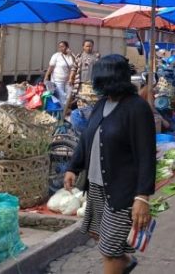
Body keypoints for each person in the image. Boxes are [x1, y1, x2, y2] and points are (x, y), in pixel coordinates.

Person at [64, 55, 155, 274]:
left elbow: (146, 155)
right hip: (95, 187)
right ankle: (125, 262)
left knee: (109, 250)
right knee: (98, 234)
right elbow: (87, 137)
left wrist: (142, 197)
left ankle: (119, 262)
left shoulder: (137, 109)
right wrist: (72, 167)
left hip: (121, 191)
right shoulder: (101, 104)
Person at [67, 39, 101, 115]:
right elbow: (74, 68)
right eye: (87, 46)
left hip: (93, 84)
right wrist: (70, 78)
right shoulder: (79, 56)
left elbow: (100, 68)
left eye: (90, 46)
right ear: (83, 47)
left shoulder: (97, 56)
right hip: (82, 84)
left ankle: (92, 116)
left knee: (93, 101)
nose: (89, 48)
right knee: (82, 101)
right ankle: (83, 115)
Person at [44, 41, 75, 108]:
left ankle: (66, 110)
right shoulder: (56, 55)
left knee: (69, 95)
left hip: (68, 80)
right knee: (61, 96)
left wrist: (71, 55)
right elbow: (51, 67)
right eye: (60, 47)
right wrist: (46, 76)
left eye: (63, 46)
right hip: (58, 80)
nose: (61, 48)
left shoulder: (71, 55)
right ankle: (61, 112)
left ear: (67, 47)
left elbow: (74, 66)